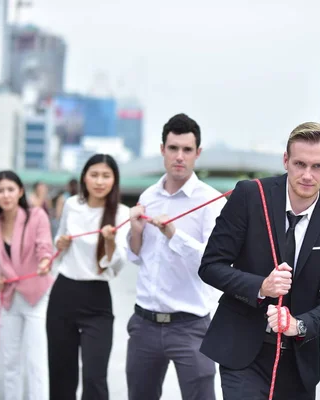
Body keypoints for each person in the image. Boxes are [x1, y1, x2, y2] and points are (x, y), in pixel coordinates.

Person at [198, 122, 320, 400]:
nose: (307, 175)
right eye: (299, 164)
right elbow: (211, 266)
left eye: (317, 166)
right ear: (285, 160)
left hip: (297, 363)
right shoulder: (249, 195)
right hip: (242, 353)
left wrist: (299, 325)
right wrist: (261, 287)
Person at [126, 113, 225, 400]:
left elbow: (213, 264)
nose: (179, 156)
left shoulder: (212, 202)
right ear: (162, 150)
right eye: (173, 148)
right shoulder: (147, 197)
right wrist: (135, 232)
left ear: (198, 153)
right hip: (144, 323)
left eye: (186, 149)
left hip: (190, 325)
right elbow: (136, 256)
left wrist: (174, 234)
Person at [46, 154, 130, 400]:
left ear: (115, 180)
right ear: (84, 177)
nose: (99, 181)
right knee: (61, 374)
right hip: (63, 294)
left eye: (106, 175)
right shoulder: (72, 204)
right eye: (94, 175)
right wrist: (59, 243)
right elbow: (59, 245)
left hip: (97, 300)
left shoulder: (121, 213)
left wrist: (110, 242)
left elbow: (115, 265)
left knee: (94, 377)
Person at [0, 170, 54, 400]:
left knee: (36, 362)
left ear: (20, 191)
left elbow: (44, 247)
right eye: (0, 191)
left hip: (36, 298)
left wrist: (44, 261)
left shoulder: (36, 216)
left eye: (10, 189)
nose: (6, 195)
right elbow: (4, 262)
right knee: (10, 362)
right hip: (10, 300)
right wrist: (1, 278)